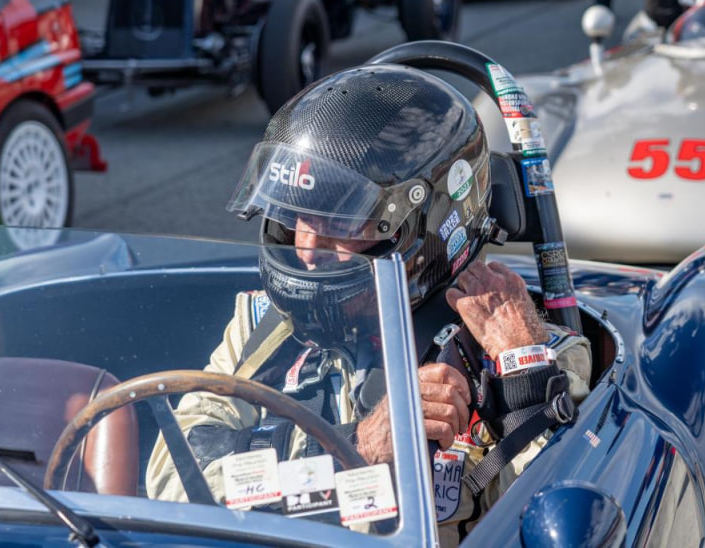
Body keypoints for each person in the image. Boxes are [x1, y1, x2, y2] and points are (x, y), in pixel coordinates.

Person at [145, 66, 591, 543]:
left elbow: (559, 521)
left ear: (425, 227)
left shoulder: (524, 356)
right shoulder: (260, 330)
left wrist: (523, 380)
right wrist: (357, 449)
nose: (307, 251)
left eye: (341, 224)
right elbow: (172, 482)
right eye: (296, 218)